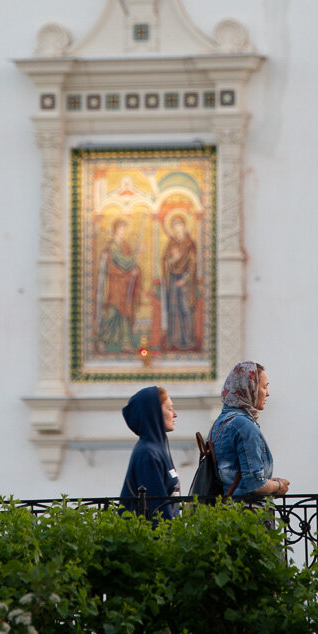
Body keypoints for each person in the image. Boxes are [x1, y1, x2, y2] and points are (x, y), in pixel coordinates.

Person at [209, 361, 289, 500]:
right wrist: (278, 485)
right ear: (249, 388)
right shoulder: (244, 425)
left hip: (224, 513)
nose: (268, 394)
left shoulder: (220, 423)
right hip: (245, 513)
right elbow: (255, 484)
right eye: (264, 387)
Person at [119, 385, 180, 520]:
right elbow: (157, 508)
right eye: (169, 408)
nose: (175, 414)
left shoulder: (157, 449)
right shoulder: (148, 453)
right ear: (155, 413)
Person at [95, 217, 142, 353]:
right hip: (116, 284)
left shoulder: (124, 245)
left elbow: (131, 265)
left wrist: (136, 270)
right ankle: (100, 339)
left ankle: (126, 343)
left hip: (125, 284)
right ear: (115, 230)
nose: (123, 232)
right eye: (120, 230)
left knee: (125, 313)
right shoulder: (113, 247)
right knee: (113, 311)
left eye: (124, 230)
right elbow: (124, 262)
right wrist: (136, 255)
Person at [161, 213, 198, 351]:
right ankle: (174, 339)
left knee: (185, 309)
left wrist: (185, 279)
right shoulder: (171, 244)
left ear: (184, 227)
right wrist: (173, 260)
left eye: (179, 226)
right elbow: (165, 261)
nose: (177, 229)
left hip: (185, 282)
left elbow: (193, 264)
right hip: (172, 281)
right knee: (173, 309)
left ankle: (187, 339)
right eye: (174, 226)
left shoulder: (189, 244)